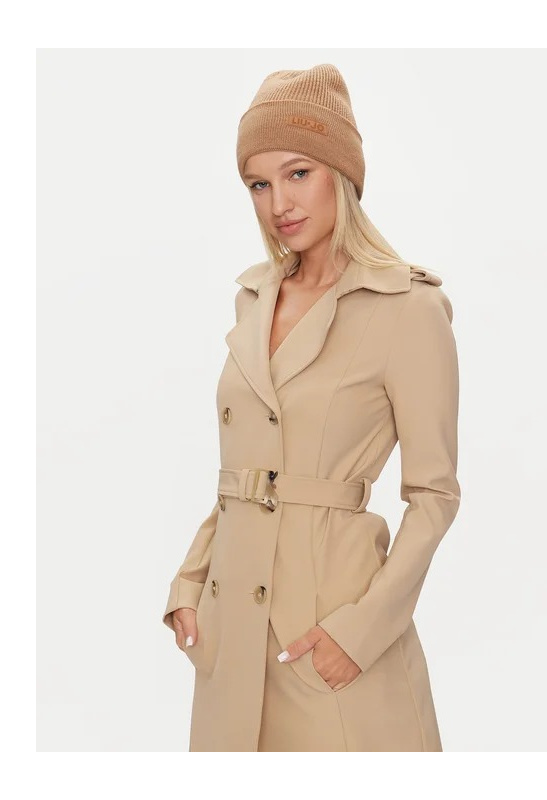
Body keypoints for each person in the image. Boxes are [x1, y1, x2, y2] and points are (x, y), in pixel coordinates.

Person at [162, 63, 461, 752]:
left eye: (298, 173)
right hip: (231, 637)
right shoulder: (253, 299)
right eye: (259, 184)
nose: (279, 203)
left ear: (342, 172)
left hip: (329, 635)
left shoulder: (408, 308)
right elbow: (243, 477)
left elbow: (435, 497)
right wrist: (190, 581)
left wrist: (361, 632)